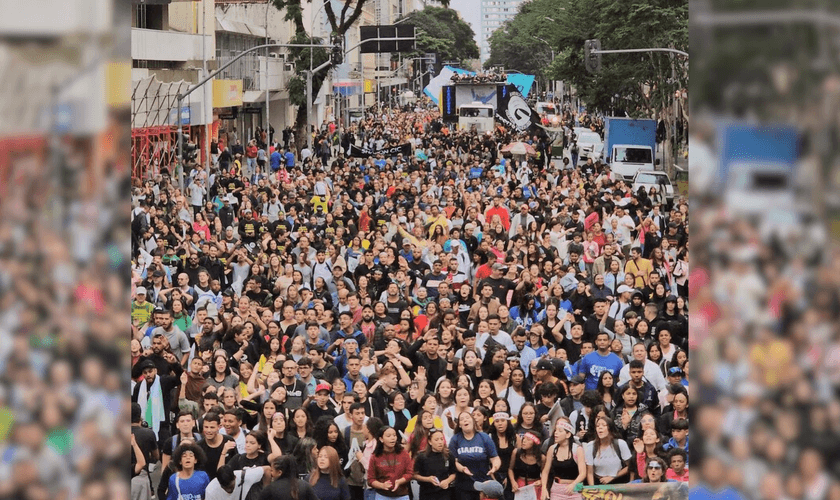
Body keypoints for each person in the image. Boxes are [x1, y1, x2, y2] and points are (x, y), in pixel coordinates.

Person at [449, 412, 502, 500]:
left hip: (483, 484)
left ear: (473, 421)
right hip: (463, 485)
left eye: (467, 417)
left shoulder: (484, 437)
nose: (465, 420)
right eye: (462, 419)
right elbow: (453, 461)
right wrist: (462, 468)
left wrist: (495, 467)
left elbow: (495, 457)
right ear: (460, 425)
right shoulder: (455, 439)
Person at [540, 418, 586, 500]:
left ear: (568, 434)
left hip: (575, 488)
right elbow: (545, 471)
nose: (556, 433)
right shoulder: (552, 449)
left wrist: (574, 484)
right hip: (557, 488)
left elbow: (583, 473)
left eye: (560, 431)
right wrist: (544, 488)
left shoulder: (577, 449)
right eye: (555, 431)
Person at [367, 426, 415, 500]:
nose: (393, 438)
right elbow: (370, 479)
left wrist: (400, 481)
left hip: (402, 495)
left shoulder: (403, 453)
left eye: (394, 435)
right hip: (382, 496)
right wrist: (382, 485)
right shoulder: (375, 456)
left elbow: (410, 473)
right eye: (388, 436)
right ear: (381, 439)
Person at [584, 416, 632, 485]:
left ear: (610, 428)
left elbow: (630, 466)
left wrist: (613, 477)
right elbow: (590, 472)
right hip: (598, 481)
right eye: (597, 426)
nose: (600, 427)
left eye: (603, 425)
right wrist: (593, 488)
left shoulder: (620, 444)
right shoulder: (590, 446)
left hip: (618, 481)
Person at [413, 428, 456, 500]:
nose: (440, 442)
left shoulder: (448, 455)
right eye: (436, 440)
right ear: (430, 442)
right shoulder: (421, 456)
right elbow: (414, 475)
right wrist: (428, 479)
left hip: (444, 493)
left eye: (442, 439)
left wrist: (447, 481)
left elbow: (453, 473)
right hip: (427, 493)